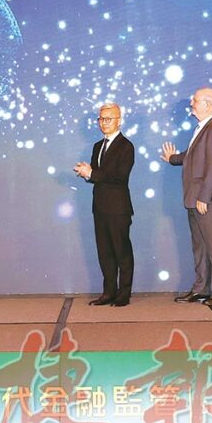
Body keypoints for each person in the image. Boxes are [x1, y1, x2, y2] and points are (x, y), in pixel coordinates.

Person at [161, 87, 212, 305]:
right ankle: (201, 288)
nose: (191, 103)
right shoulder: (204, 128)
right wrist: (173, 158)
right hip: (196, 199)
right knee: (200, 246)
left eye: (195, 100)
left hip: (207, 201)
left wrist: (204, 197)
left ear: (207, 104)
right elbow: (192, 156)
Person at [74, 103, 135, 307]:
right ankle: (109, 292)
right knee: (105, 252)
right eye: (101, 119)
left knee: (122, 252)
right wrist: (87, 173)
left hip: (118, 208)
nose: (103, 123)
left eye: (108, 119)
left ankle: (124, 294)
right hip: (99, 207)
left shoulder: (126, 146)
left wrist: (92, 173)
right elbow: (98, 176)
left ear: (119, 120)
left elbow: (120, 177)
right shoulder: (97, 146)